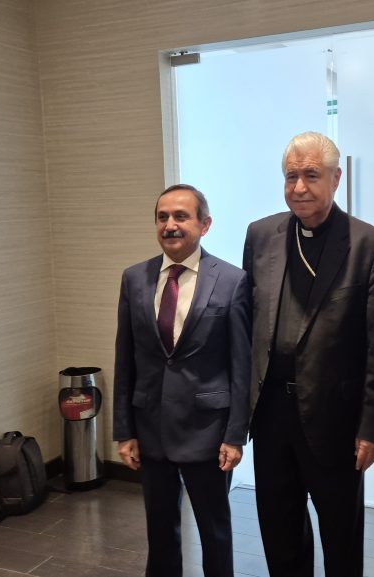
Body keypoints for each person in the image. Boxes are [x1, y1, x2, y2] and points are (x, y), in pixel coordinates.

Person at [243, 131, 374, 577]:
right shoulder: (261, 235)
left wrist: (372, 426)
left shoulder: (369, 245)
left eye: (311, 175)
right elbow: (246, 323)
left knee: (340, 535)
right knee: (279, 529)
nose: (299, 188)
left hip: (336, 418)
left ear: (336, 178)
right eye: (291, 177)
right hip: (270, 412)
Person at [112, 184, 250, 577]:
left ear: (205, 225)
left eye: (181, 216)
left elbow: (241, 365)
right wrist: (124, 430)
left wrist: (235, 435)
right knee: (159, 530)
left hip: (208, 431)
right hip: (150, 426)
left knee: (214, 530)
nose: (170, 225)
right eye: (163, 217)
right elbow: (125, 357)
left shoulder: (232, 280)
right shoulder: (134, 278)